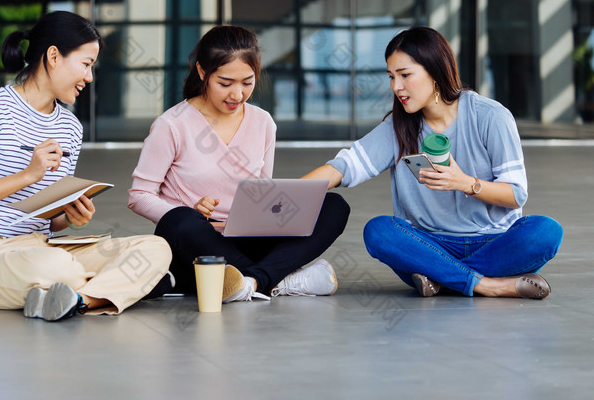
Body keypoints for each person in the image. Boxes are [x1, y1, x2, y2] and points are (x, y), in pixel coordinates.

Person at [0, 11, 171, 321]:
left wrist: (69, 215)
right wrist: (27, 175)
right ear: (53, 57)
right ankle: (119, 288)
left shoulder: (70, 127)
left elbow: (50, 220)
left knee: (154, 249)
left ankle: (79, 299)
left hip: (42, 244)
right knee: (58, 268)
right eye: (86, 64)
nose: (89, 77)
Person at [303, 26, 562, 299]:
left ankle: (442, 278)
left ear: (435, 71)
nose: (396, 87)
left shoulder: (491, 117)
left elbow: (516, 195)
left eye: (405, 75)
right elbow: (344, 166)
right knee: (379, 232)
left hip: (492, 241)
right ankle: (488, 285)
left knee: (545, 232)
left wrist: (465, 183)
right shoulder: (399, 126)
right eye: (391, 76)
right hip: (428, 243)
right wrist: (291, 193)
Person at [128, 25, 350, 302]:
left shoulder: (263, 122)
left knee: (334, 206)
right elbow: (139, 196)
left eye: (247, 82)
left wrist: (270, 213)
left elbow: (261, 189)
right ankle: (278, 278)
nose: (237, 94)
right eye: (225, 83)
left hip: (249, 237)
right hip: (199, 240)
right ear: (202, 72)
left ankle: (249, 281)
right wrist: (193, 214)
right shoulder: (172, 125)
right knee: (179, 222)